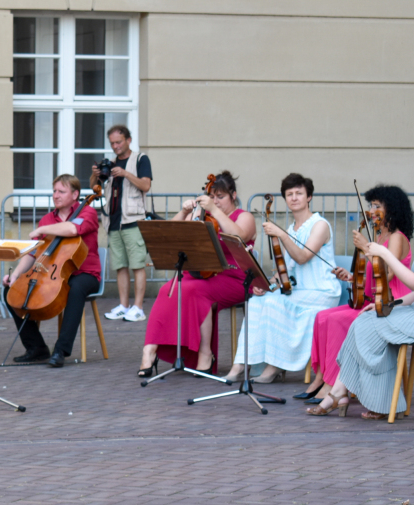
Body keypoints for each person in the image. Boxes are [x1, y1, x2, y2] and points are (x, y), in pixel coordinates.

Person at [309, 181, 414, 420]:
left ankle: (375, 400)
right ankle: (342, 391)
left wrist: (384, 253)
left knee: (369, 325)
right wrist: (391, 304)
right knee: (367, 319)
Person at [299, 185, 413, 403]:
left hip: (390, 304)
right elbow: (373, 274)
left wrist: (367, 249)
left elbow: (388, 274)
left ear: (392, 209)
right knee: (322, 317)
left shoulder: (397, 238)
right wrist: (352, 277)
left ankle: (333, 385)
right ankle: (321, 377)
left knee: (338, 320)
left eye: (377, 206)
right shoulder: (379, 238)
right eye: (371, 205)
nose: (371, 210)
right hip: (372, 300)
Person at [223, 173, 341, 383]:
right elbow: (285, 270)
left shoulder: (319, 225)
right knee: (258, 301)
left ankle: (273, 367)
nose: (294, 198)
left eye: (299, 193)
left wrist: (282, 236)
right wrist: (267, 285)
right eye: (289, 194)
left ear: (309, 197)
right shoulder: (290, 229)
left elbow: (303, 257)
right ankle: (240, 363)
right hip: (300, 290)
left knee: (275, 303)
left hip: (321, 291)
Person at [139, 171, 257, 376]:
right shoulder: (206, 217)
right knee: (168, 288)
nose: (216, 202)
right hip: (205, 273)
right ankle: (149, 350)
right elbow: (171, 234)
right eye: (212, 197)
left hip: (236, 277)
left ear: (233, 196)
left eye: (221, 197)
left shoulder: (244, 216)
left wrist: (214, 210)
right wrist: (184, 213)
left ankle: (205, 353)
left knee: (194, 290)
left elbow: (239, 235)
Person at [3, 174, 101, 368]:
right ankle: (36, 348)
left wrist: (42, 230)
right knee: (11, 291)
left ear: (75, 195)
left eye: (61, 191)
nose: (56, 195)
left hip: (85, 274)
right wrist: (15, 275)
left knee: (76, 289)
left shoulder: (88, 212)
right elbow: (33, 254)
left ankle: (61, 350)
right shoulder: (48, 218)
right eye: (54, 191)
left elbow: (73, 229)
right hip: (52, 274)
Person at [91, 124, 151, 322]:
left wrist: (125, 174)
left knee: (137, 265)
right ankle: (124, 306)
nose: (115, 146)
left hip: (134, 220)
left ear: (128, 140)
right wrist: (95, 174)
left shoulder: (140, 159)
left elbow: (146, 185)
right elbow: (95, 189)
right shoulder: (110, 163)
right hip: (113, 221)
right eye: (112, 143)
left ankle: (138, 308)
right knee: (120, 266)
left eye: (118, 142)